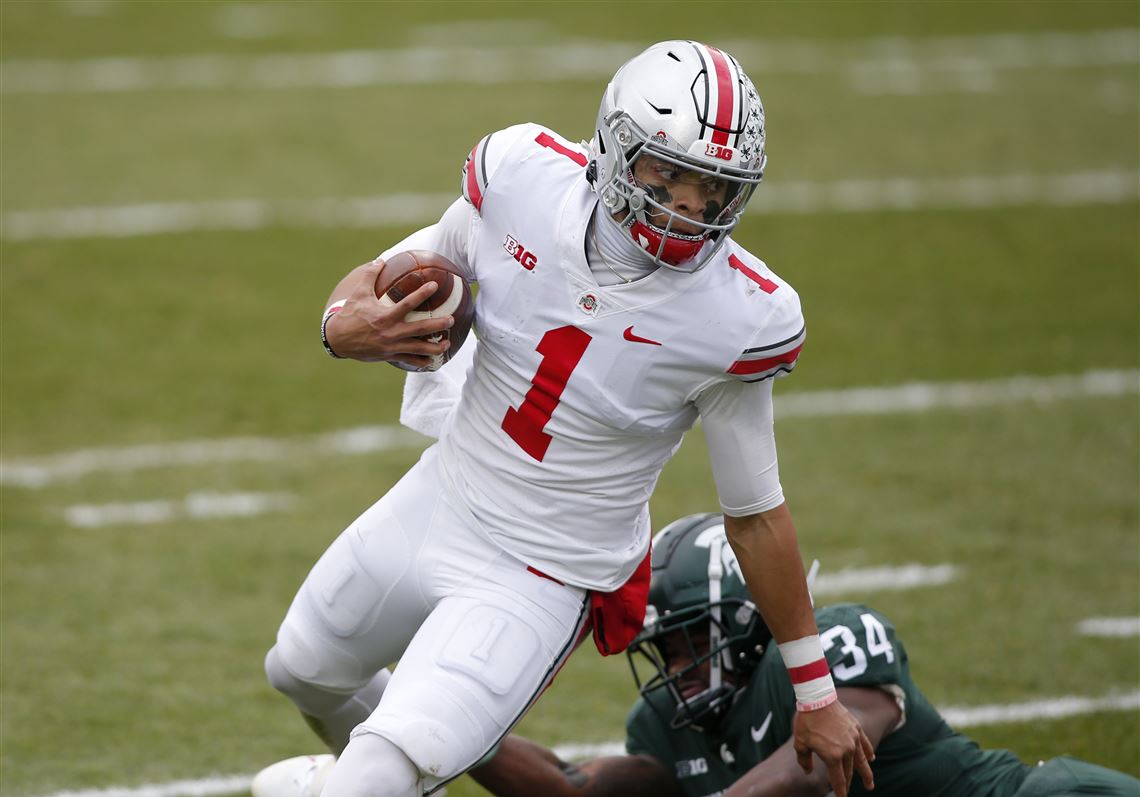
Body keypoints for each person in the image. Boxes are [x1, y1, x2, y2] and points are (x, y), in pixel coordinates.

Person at [257, 40, 874, 797]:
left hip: (544, 569)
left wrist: (816, 693)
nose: (690, 205)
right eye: (669, 173)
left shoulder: (741, 315)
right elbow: (395, 273)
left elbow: (756, 515)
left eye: (714, 186)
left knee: (376, 769)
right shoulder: (524, 178)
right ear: (616, 148)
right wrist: (341, 326)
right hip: (444, 493)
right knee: (299, 670)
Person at [468, 513, 1140, 797]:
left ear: (748, 620)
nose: (677, 669)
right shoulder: (672, 729)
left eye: (691, 643)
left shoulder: (828, 649)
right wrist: (444, 731)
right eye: (665, 651)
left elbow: (821, 761)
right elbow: (570, 786)